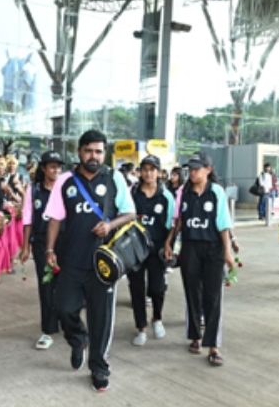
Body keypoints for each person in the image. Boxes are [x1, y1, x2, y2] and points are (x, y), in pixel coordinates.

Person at [44, 130, 136, 393]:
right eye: (88, 151)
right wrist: (49, 249)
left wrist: (110, 225)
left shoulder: (114, 178)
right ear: (79, 152)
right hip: (71, 260)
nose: (93, 156)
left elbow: (130, 213)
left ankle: (99, 367)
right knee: (64, 308)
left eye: (98, 151)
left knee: (101, 318)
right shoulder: (65, 180)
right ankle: (77, 340)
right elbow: (55, 219)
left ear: (104, 153)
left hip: (104, 263)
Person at [165, 152, 235, 367]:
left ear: (208, 169)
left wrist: (227, 251)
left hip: (213, 249)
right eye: (190, 169)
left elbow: (223, 223)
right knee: (192, 293)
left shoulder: (216, 192)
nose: (192, 173)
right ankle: (195, 336)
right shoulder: (183, 192)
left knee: (213, 296)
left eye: (197, 169)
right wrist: (169, 243)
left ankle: (213, 345)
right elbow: (178, 221)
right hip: (190, 248)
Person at [20, 151, 66, 350]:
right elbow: (28, 219)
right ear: (44, 169)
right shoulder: (34, 190)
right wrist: (25, 247)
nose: (56, 170)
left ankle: (67, 322)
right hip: (41, 244)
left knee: (66, 285)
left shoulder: (66, 188)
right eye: (52, 167)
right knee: (47, 285)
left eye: (58, 167)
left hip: (65, 243)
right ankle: (48, 330)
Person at [129, 156, 176, 346]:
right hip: (135, 248)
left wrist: (168, 245)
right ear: (140, 172)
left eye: (152, 169)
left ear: (159, 172)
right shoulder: (132, 193)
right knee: (137, 288)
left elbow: (172, 224)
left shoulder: (166, 196)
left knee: (157, 287)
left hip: (157, 248)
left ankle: (157, 318)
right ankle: (141, 327)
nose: (148, 173)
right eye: (145, 169)